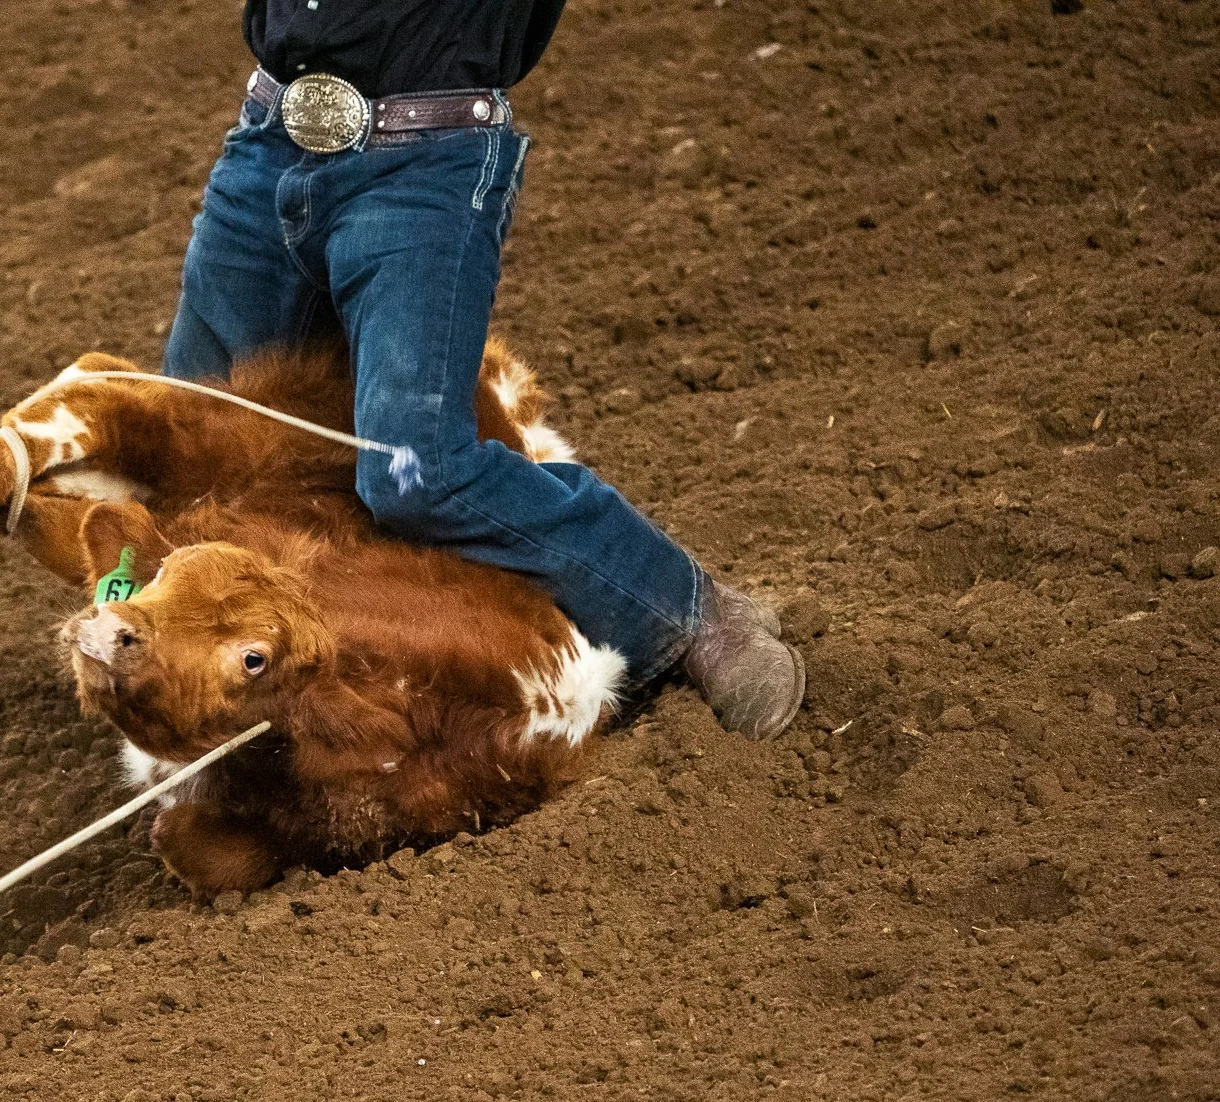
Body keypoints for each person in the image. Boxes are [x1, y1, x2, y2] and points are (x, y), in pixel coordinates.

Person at [162, 0, 805, 739]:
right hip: (271, 135)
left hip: (424, 165)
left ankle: (685, 612)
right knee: (186, 442)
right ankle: (208, 676)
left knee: (419, 471)